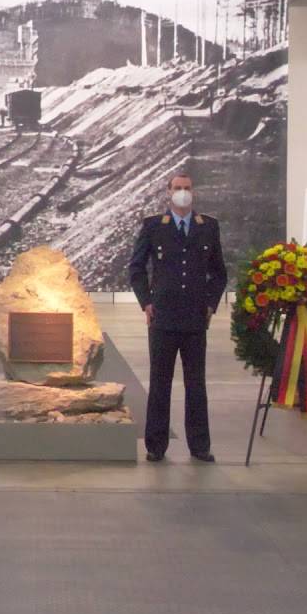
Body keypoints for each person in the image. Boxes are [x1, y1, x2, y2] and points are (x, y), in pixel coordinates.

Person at [128, 172, 227, 463]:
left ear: (193, 192)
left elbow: (219, 272)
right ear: (168, 193)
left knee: (196, 384)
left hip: (196, 318)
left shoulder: (207, 227)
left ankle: (199, 445)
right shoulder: (153, 226)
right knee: (160, 383)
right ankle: (156, 446)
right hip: (163, 317)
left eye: (187, 188)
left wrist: (210, 304)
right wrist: (146, 302)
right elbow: (136, 268)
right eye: (177, 188)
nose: (182, 192)